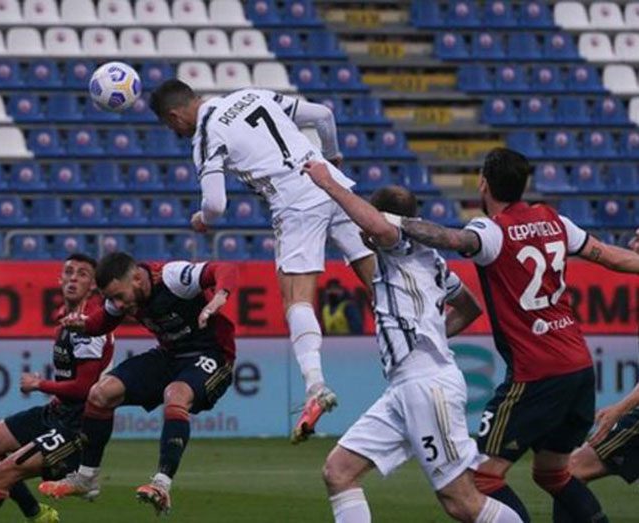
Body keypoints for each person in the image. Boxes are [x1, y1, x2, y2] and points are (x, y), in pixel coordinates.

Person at [387, 147, 639, 522]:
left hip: (536, 374)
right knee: (553, 474)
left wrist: (392, 220)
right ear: (524, 185)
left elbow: (451, 240)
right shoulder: (554, 219)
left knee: (480, 481)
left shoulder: (491, 232)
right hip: (579, 368)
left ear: (483, 184)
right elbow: (607, 255)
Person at [149, 79, 375, 443]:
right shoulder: (249, 94)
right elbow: (323, 115)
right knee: (377, 279)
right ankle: (421, 346)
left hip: (295, 203)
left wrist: (202, 220)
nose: (174, 130)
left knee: (296, 299)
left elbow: (216, 205)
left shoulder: (206, 133)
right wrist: (331, 157)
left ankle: (315, 385)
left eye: (170, 124)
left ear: (175, 116)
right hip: (332, 184)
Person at [304, 161, 521, 523]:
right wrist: (433, 332)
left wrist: (327, 182)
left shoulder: (399, 243)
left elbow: (377, 225)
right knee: (339, 471)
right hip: (405, 388)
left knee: (461, 502)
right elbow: (469, 308)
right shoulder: (432, 261)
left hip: (427, 385)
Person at [38, 252, 237, 515]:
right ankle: (86, 478)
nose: (117, 305)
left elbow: (225, 267)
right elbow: (101, 322)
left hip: (212, 354)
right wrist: (83, 326)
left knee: (175, 394)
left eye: (119, 297)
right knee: (100, 393)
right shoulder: (121, 296)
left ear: (136, 279)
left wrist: (220, 296)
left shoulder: (172, 277)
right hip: (170, 355)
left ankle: (161, 484)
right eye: (112, 299)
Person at [0, 253, 114, 523]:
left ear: (93, 286)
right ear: (60, 278)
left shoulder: (89, 325)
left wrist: (40, 384)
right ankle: (36, 513)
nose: (74, 277)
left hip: (78, 426)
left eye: (83, 274)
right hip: (56, 412)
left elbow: (85, 388)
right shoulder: (66, 316)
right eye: (69, 271)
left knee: (4, 472)